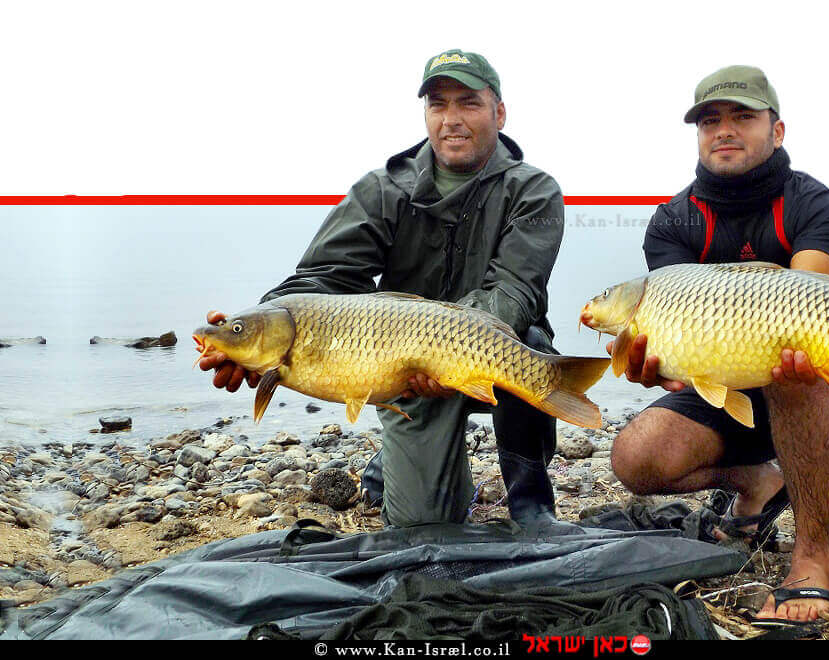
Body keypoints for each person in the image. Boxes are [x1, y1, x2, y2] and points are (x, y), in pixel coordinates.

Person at [199, 49, 566, 529]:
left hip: (490, 353)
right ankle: (397, 460)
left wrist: (446, 349)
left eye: (468, 103)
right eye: (438, 104)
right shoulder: (381, 190)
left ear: (499, 112)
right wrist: (259, 330)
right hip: (400, 371)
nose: (451, 120)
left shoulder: (534, 191)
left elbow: (514, 292)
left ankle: (530, 498)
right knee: (424, 528)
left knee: (531, 347)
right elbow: (323, 279)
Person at [609, 65, 829, 623]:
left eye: (742, 117)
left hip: (821, 377)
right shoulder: (673, 221)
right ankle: (760, 481)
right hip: (723, 378)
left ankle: (811, 558)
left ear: (777, 130)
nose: (723, 130)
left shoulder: (816, 206)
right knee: (634, 456)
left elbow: (812, 308)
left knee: (788, 366)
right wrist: (662, 364)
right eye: (710, 121)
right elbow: (676, 328)